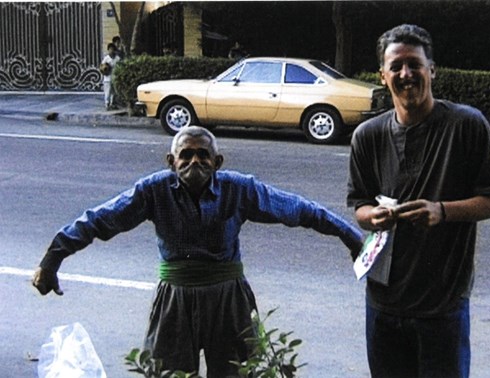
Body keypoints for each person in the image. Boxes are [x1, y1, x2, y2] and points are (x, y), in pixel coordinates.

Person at [33, 126, 363, 377]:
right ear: (171, 161)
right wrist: (52, 259)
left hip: (229, 301)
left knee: (241, 372)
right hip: (174, 301)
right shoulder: (153, 191)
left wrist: (351, 237)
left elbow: (301, 210)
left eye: (203, 155)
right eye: (186, 154)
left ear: (217, 162)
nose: (195, 161)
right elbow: (99, 220)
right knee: (167, 372)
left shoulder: (239, 188)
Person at [347, 24, 490, 378]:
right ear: (383, 75)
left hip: (442, 307)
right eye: (396, 66)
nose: (406, 74)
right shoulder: (367, 136)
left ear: (431, 70)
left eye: (414, 64)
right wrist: (372, 216)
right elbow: (358, 206)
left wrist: (443, 211)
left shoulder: (466, 126)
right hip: (382, 305)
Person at [100, 43, 121, 110]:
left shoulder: (117, 58)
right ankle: (107, 104)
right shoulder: (106, 59)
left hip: (115, 78)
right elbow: (102, 68)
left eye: (112, 49)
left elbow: (120, 67)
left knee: (114, 92)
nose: (111, 51)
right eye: (110, 49)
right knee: (107, 92)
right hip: (107, 79)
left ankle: (113, 104)